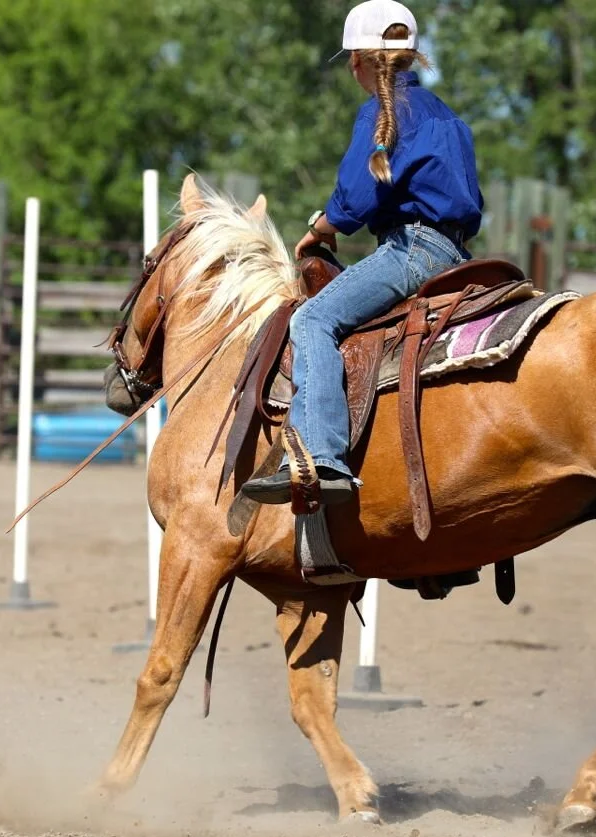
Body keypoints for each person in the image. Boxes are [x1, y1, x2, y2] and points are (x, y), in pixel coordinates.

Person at [242, 0, 484, 506]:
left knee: (312, 319)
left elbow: (354, 200)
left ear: (358, 62)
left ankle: (320, 456)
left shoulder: (379, 114)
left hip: (411, 250)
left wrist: (318, 228)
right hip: (456, 254)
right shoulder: (448, 116)